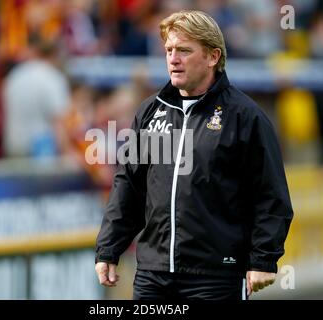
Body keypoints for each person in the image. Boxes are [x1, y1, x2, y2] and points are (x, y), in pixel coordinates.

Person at [95, 10, 293, 300]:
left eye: (184, 51)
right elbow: (129, 186)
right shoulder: (150, 112)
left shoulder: (245, 117)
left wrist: (263, 259)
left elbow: (271, 195)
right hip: (153, 274)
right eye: (169, 50)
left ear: (213, 57)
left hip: (216, 276)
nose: (173, 58)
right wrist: (109, 248)